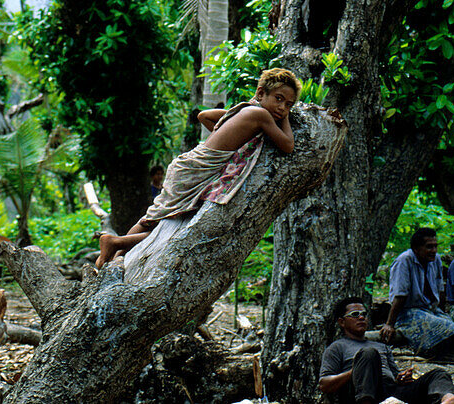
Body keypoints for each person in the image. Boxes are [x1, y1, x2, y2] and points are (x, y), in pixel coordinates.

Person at [96, 67, 301, 268]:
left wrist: (225, 139)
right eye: (279, 99)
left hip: (189, 164)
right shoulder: (261, 116)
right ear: (260, 93)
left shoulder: (242, 110)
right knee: (168, 227)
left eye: (289, 105)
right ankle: (115, 244)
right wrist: (286, 119)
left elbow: (204, 115)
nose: (282, 108)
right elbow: (288, 145)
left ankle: (113, 258)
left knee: (153, 218)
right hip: (196, 170)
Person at [319, 298, 454, 404]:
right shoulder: (337, 347)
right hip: (361, 393)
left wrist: (400, 378)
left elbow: (394, 378)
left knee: (437, 374)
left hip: (389, 392)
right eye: (355, 315)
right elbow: (325, 385)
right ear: (341, 322)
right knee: (368, 354)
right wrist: (356, 371)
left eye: (364, 314)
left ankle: (448, 399)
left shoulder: (382, 346)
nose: (361, 318)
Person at [380, 229, 454, 357]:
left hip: (430, 309)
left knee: (453, 327)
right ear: (416, 248)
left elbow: (440, 290)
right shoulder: (404, 261)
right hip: (409, 312)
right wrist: (389, 324)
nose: (434, 250)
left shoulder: (435, 260)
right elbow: (400, 295)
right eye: (429, 247)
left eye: (435, 246)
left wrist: (442, 314)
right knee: (448, 330)